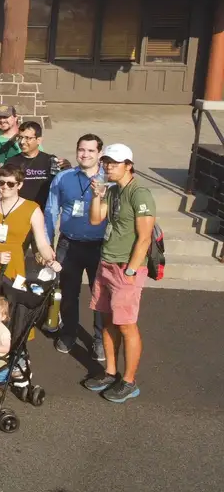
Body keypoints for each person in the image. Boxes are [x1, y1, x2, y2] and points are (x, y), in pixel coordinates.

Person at [82, 143, 155, 404]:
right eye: (106, 162)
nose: (108, 166)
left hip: (126, 268)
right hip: (107, 263)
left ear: (129, 165)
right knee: (107, 321)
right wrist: (97, 195)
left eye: (114, 162)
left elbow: (144, 238)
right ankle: (110, 372)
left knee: (126, 324)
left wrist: (132, 270)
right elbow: (95, 220)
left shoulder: (140, 193)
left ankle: (129, 381)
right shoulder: (112, 191)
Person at [0, 164, 61, 318]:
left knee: (9, 310)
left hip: (13, 265)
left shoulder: (32, 208)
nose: (5, 187)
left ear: (20, 185)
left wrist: (50, 259)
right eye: (1, 182)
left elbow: (42, 242)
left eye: (10, 184)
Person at [44, 134, 108, 360]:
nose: (85, 154)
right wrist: (47, 244)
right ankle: (69, 332)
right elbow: (51, 211)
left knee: (99, 295)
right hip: (69, 244)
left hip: (99, 246)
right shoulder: (63, 178)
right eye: (82, 150)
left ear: (100, 153)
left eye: (91, 151)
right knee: (68, 293)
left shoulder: (108, 179)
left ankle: (100, 339)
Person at [4, 121, 55, 205]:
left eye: (28, 138)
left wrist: (67, 169)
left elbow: (59, 186)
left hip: (44, 213)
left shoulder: (51, 160)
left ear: (38, 140)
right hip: (18, 211)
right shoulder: (11, 162)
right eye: (20, 137)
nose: (22, 142)